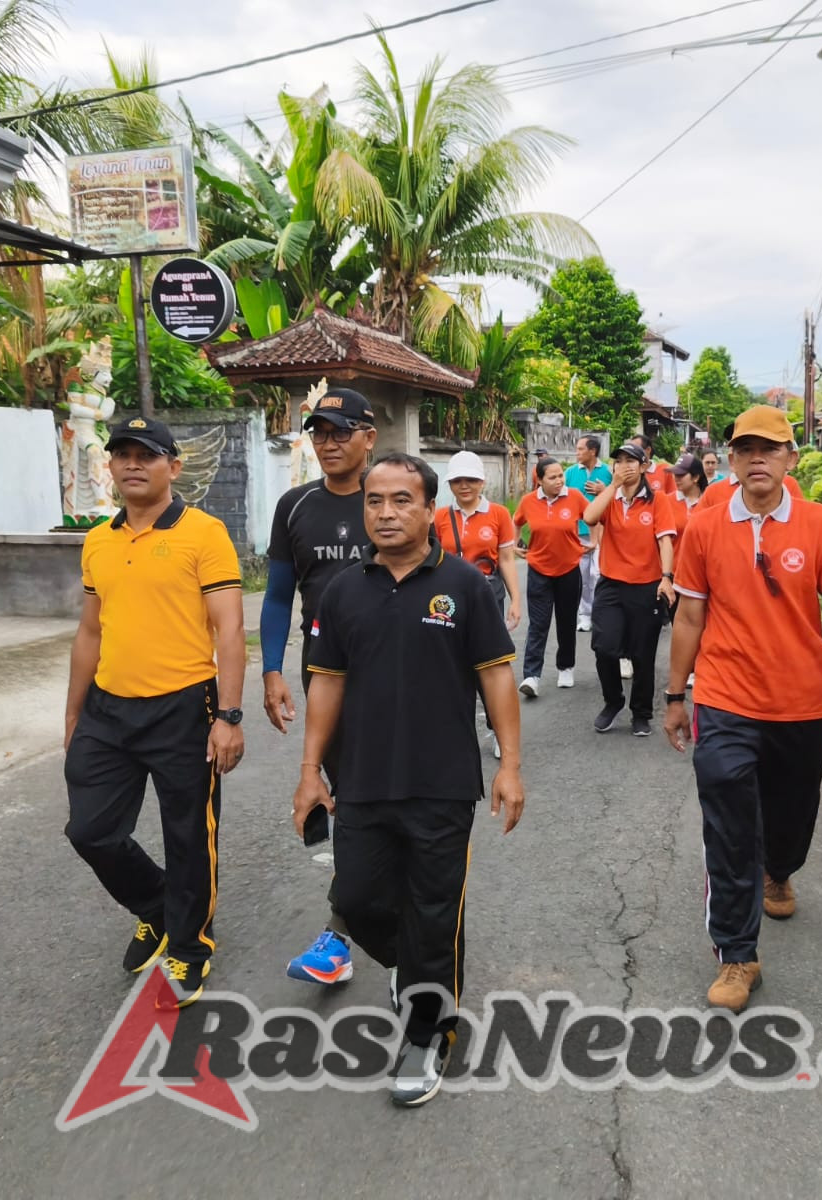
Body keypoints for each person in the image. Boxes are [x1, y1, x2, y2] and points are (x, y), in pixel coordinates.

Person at [294, 452, 526, 1108]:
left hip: (443, 784)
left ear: (430, 509)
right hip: (362, 780)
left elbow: (495, 678)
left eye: (402, 500)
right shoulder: (343, 591)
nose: (386, 513)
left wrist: (509, 765)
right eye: (375, 501)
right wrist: (310, 771)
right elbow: (326, 684)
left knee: (433, 911)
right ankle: (413, 965)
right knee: (359, 899)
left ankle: (428, 1033)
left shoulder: (464, 585)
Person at [664, 406, 822, 1014]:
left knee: (791, 814)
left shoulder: (820, 524)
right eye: (745, 448)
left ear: (789, 459)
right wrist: (677, 696)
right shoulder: (704, 527)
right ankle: (736, 953)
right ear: (729, 459)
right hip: (726, 699)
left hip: (802, 703)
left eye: (770, 448)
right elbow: (690, 616)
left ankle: (780, 868)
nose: (757, 458)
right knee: (728, 825)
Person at [63, 417, 246, 1011]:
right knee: (91, 831)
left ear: (174, 466)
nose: (133, 464)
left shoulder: (204, 533)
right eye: (122, 454)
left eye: (148, 454)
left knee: (189, 836)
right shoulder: (98, 539)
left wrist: (230, 715)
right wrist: (72, 716)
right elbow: (90, 632)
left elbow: (230, 628)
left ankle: (190, 946)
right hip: (107, 711)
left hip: (184, 708)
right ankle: (154, 905)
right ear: (111, 467)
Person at [260, 387, 377, 989]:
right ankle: (343, 932)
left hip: (394, 678)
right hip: (324, 676)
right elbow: (280, 594)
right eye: (318, 432)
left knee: (386, 802)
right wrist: (273, 669)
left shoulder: (393, 500)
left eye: (340, 431)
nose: (327, 443)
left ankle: (378, 918)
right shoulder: (294, 506)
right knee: (352, 799)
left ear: (368, 438)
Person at [581, 441, 679, 737]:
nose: (625, 466)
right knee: (604, 647)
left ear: (644, 466)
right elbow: (588, 517)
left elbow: (665, 540)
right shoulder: (610, 498)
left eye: (631, 461)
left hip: (646, 586)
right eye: (619, 461)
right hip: (611, 583)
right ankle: (613, 702)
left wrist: (666, 577)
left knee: (642, 653)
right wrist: (612, 486)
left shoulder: (657, 501)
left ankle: (641, 712)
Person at [512, 457, 587, 697]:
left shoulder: (574, 497)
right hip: (538, 569)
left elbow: (594, 517)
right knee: (538, 623)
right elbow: (516, 522)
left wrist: (594, 541)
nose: (558, 481)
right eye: (552, 477)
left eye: (560, 476)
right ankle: (531, 676)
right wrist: (514, 545)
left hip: (568, 569)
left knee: (566, 621)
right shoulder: (528, 501)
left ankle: (566, 667)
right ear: (540, 480)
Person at [434, 451, 522, 631]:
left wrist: (516, 601)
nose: (464, 486)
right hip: (451, 595)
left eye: (471, 480)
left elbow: (506, 559)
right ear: (449, 484)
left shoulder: (500, 514)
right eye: (457, 481)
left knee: (489, 650)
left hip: (487, 593)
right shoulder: (439, 516)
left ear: (482, 482)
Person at [565, 435, 612, 633]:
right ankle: (585, 616)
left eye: (580, 449)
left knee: (598, 574)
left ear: (592, 451)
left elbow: (616, 497)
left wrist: (604, 490)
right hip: (578, 532)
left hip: (603, 532)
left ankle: (600, 613)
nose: (577, 453)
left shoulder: (608, 473)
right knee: (583, 576)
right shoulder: (570, 473)